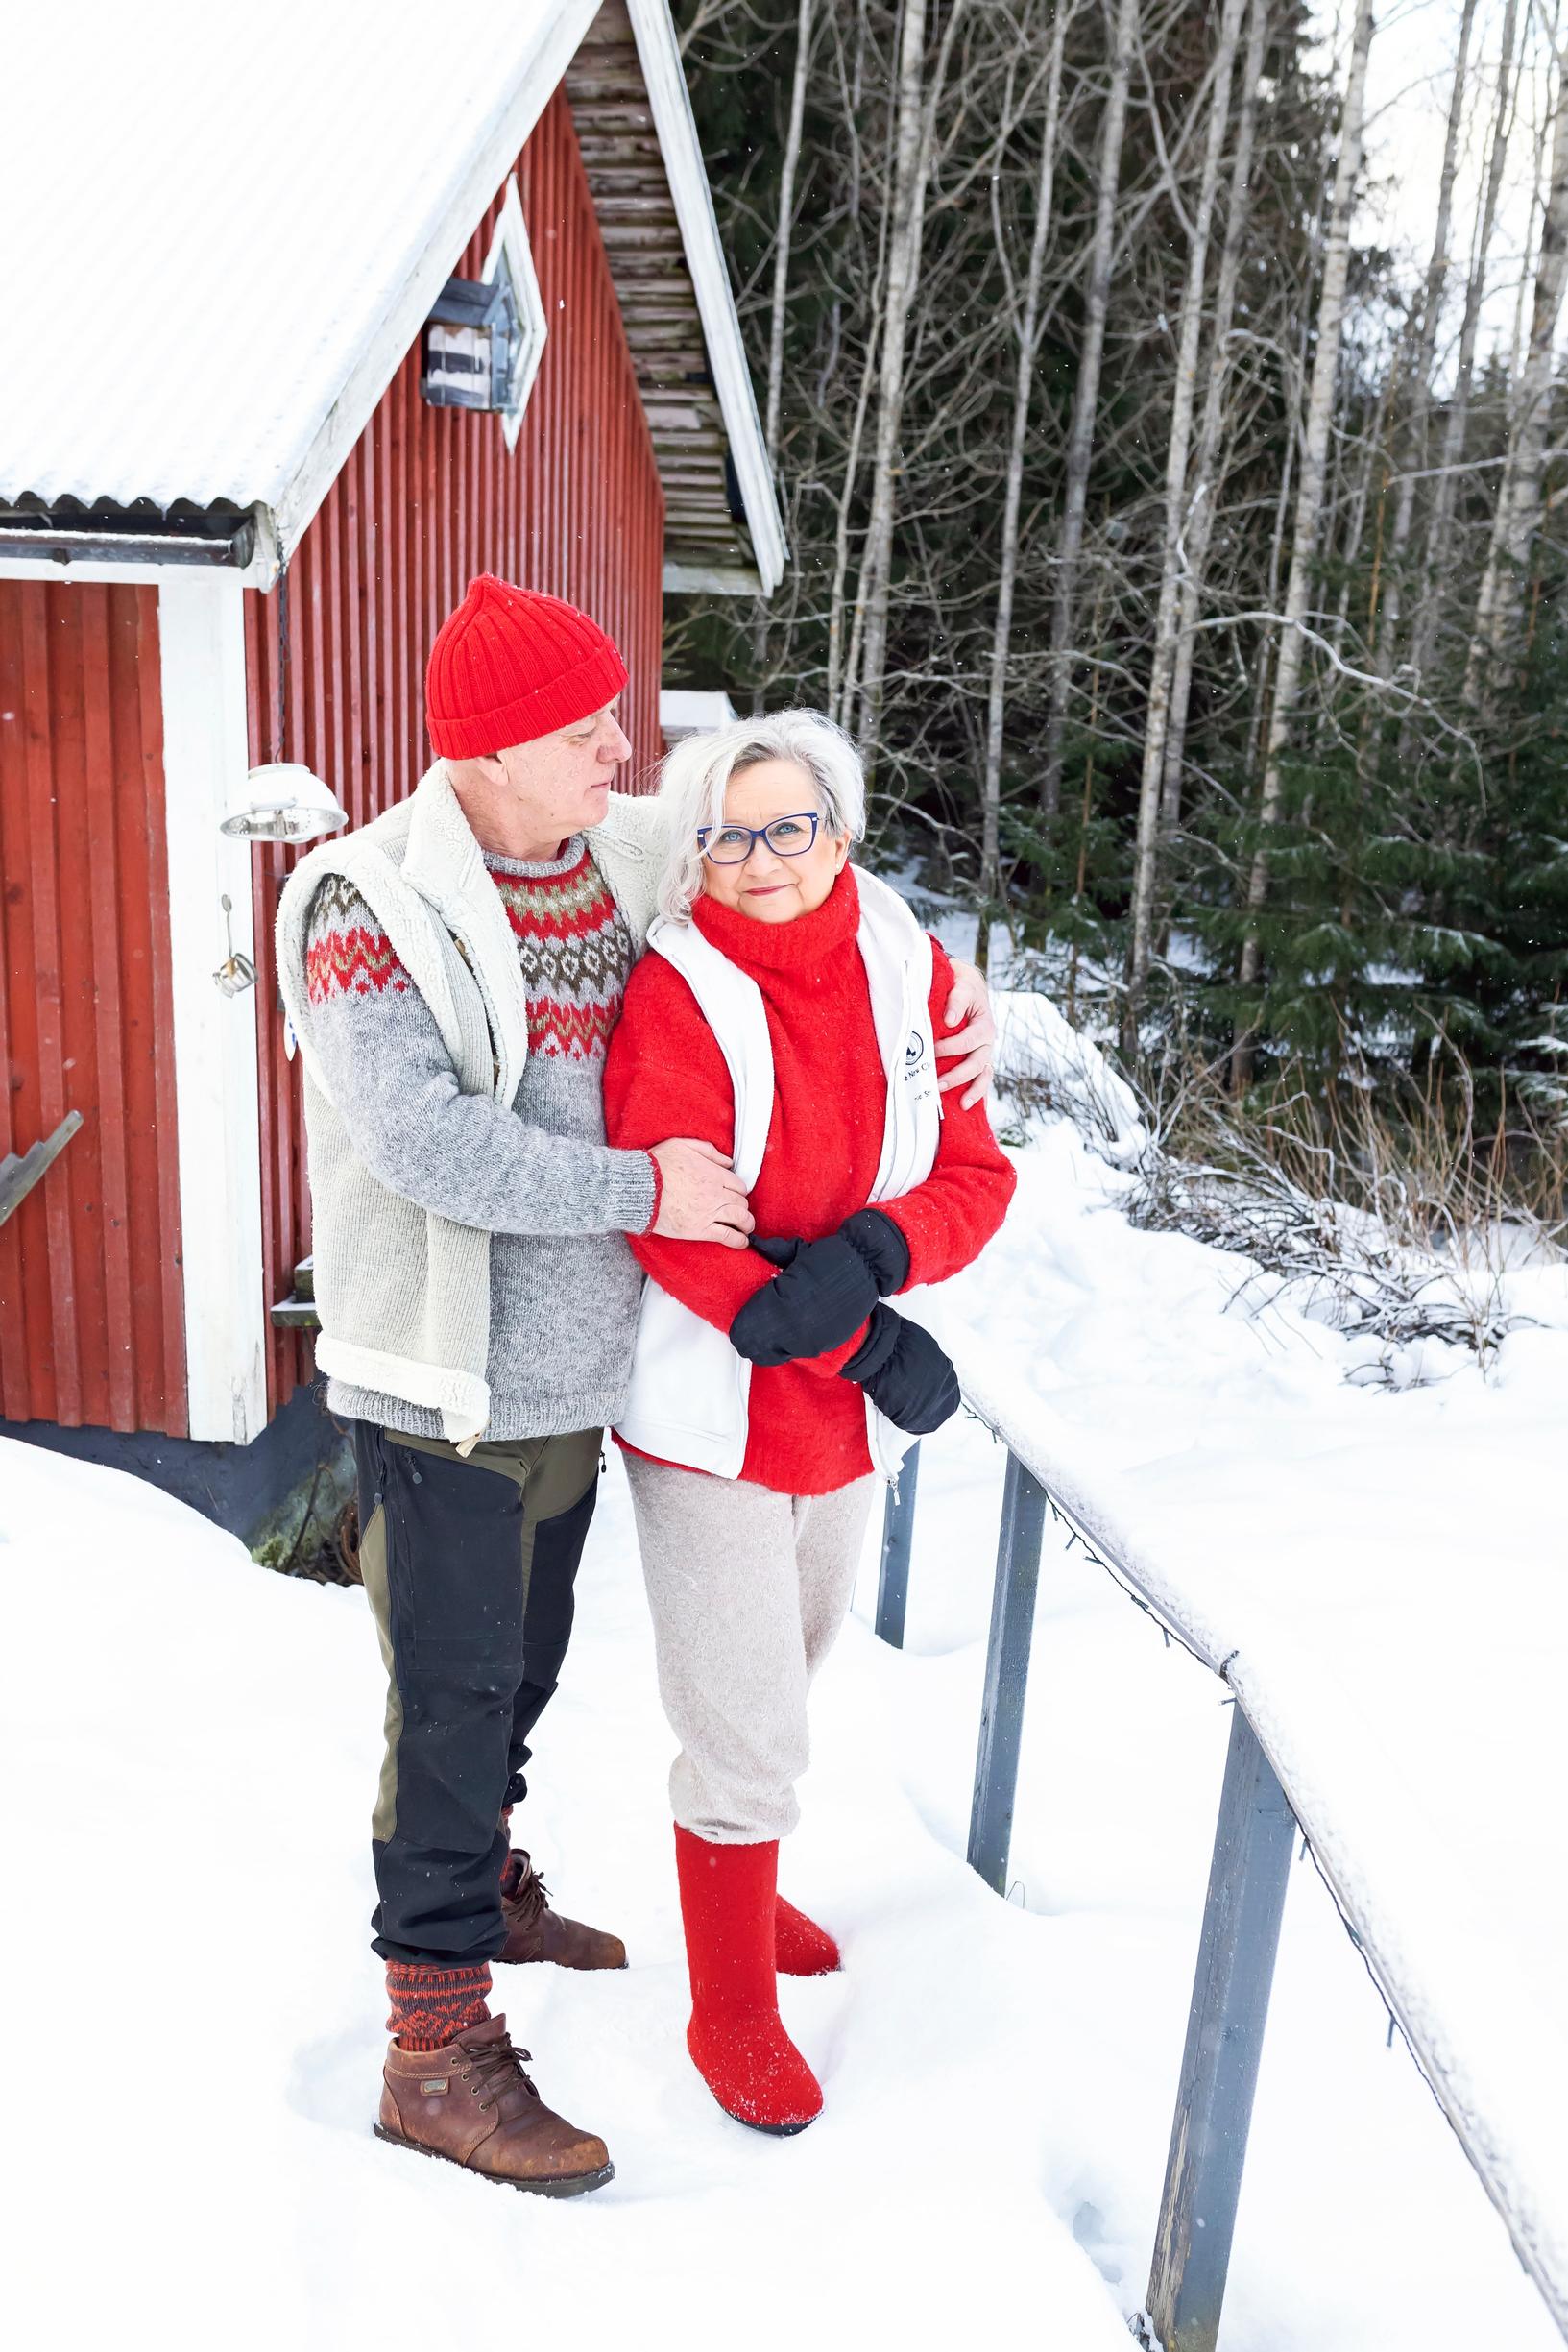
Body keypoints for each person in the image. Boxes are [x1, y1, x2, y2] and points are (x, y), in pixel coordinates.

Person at [275, 577, 999, 2196]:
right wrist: (642, 1190)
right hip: (442, 1389)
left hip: (584, 1381)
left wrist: (961, 1018)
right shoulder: (363, 903)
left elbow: (809, 877)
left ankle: (493, 1886)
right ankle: (434, 2044)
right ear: (488, 750)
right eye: (584, 726)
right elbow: (427, 1144)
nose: (623, 744)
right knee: (450, 1708)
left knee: (516, 1682)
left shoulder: (612, 851)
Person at [603, 709, 1016, 2136]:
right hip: (712, 1400)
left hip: (836, 1415)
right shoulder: (677, 990)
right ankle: (726, 2007)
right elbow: (692, 1243)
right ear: (692, 850)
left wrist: (881, 1255)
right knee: (742, 1718)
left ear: (840, 830)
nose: (764, 858)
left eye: (793, 826)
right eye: (730, 832)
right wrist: (859, 1327)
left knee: (796, 1653)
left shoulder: (908, 965)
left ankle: (747, 1889)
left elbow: (972, 1170)